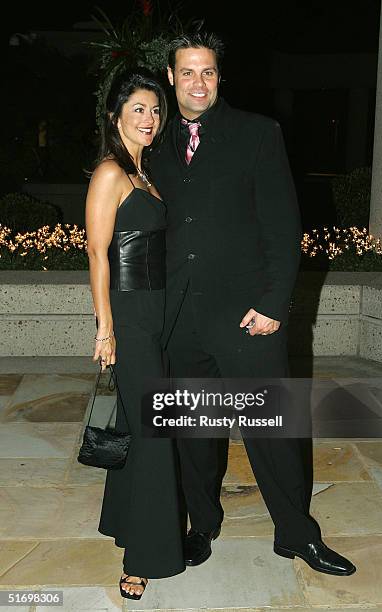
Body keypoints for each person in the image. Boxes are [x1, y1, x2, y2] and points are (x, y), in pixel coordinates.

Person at [149, 32, 356, 576]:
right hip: (179, 320)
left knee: (275, 432)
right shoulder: (153, 143)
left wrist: (272, 303)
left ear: (220, 77)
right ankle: (202, 525)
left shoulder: (257, 134)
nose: (199, 82)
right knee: (194, 435)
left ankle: (297, 533)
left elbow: (285, 228)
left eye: (209, 72)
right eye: (188, 72)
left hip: (247, 318)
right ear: (171, 78)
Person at [85, 68, 185, 601]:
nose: (149, 119)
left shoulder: (145, 172)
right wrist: (106, 327)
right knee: (152, 432)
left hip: (157, 310)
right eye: (138, 109)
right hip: (129, 311)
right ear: (114, 114)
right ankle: (143, 556)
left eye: (154, 109)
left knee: (136, 418)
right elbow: (97, 253)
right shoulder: (111, 173)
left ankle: (123, 520)